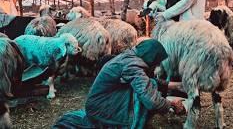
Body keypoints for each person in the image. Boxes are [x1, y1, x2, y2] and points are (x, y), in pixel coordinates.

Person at [53, 39, 185, 129]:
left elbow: (146, 81)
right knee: (147, 90)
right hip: (101, 110)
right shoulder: (133, 66)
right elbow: (149, 98)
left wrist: (176, 85)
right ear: (152, 57)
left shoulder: (130, 58)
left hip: (99, 104)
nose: (156, 65)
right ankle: (128, 123)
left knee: (149, 84)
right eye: (156, 62)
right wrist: (170, 105)